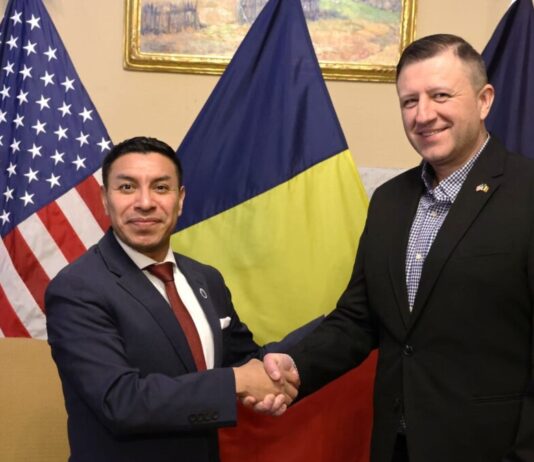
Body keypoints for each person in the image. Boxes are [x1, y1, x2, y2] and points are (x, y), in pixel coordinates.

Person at [259, 34, 534, 462]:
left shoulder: (526, 193)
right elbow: (359, 318)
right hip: (396, 445)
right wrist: (298, 366)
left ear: (484, 100)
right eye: (409, 101)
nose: (423, 115)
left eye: (440, 96)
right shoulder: (389, 201)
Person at [45, 136, 298, 462]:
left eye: (161, 188)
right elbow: (121, 401)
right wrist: (236, 382)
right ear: (105, 200)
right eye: (127, 187)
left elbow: (241, 360)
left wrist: (273, 369)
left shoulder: (206, 278)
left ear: (180, 200)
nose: (145, 202)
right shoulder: (77, 288)